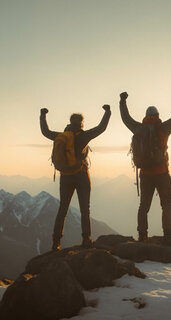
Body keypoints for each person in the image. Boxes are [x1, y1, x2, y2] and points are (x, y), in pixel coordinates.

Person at [119, 84, 171, 246]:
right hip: (161, 173)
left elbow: (125, 118)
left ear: (146, 116)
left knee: (144, 206)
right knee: (166, 204)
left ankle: (142, 236)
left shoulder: (138, 128)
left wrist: (122, 101)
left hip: (144, 174)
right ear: (157, 115)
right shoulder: (163, 128)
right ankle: (168, 236)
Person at [40, 105, 111, 251]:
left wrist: (43, 115)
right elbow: (101, 127)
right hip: (81, 175)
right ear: (81, 123)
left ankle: (56, 242)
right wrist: (107, 112)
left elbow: (45, 132)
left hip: (65, 177)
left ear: (70, 122)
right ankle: (86, 239)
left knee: (63, 209)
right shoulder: (84, 136)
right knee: (85, 209)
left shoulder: (60, 136)